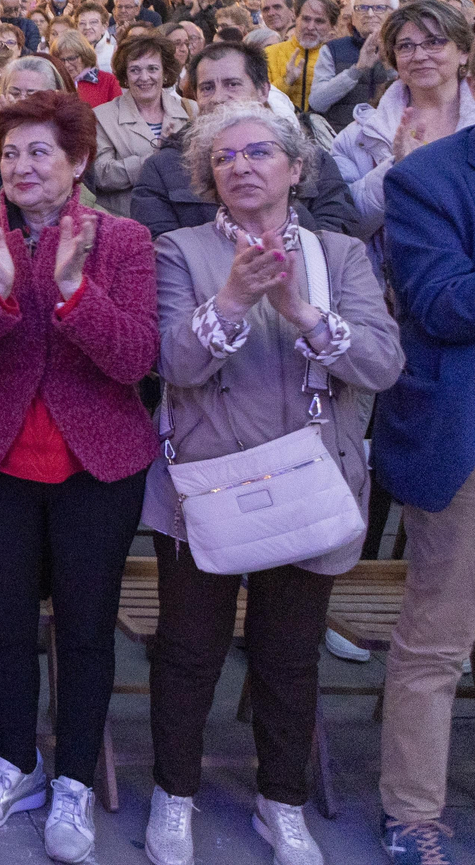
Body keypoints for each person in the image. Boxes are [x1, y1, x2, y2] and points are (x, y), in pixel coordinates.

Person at [146, 104, 402, 865]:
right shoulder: (180, 248)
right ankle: (174, 795)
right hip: (205, 486)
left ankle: (281, 802)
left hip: (310, 482)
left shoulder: (340, 255)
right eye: (224, 157)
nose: (242, 165)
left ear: (295, 167)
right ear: (208, 178)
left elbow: (383, 366)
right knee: (187, 653)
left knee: (288, 657)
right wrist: (229, 300)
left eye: (260, 151)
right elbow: (171, 364)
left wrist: (299, 310)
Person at [0, 90, 161, 864]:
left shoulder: (121, 241)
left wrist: (72, 290)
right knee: (9, 623)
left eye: (40, 152)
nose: (21, 166)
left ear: (79, 161)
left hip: (99, 465)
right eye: (11, 151)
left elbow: (134, 360)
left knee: (87, 631)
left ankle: (75, 781)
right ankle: (16, 762)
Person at [377, 121, 475, 865]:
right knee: (439, 637)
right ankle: (413, 812)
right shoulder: (426, 178)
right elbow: (441, 305)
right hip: (465, 442)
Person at [131, 44, 362, 240]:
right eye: (207, 88)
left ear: (263, 91)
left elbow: (337, 235)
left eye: (232, 84)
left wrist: (278, 197)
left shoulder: (312, 159)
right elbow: (161, 251)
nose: (218, 98)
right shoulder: (162, 169)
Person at [332, 0, 475, 240]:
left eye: (434, 42)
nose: (419, 56)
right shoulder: (360, 136)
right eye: (406, 46)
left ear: (462, 53)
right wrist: (397, 170)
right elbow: (346, 226)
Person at [91, 32, 189, 220]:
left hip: (180, 223)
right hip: (126, 222)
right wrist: (152, 160)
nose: (144, 77)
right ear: (125, 75)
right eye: (135, 70)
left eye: (152, 69)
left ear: (165, 72)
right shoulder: (102, 116)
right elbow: (100, 174)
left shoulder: (189, 110)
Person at [311, 0, 398, 130]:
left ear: (393, 13)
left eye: (379, 8)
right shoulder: (333, 49)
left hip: (390, 136)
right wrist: (356, 70)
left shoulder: (404, 47)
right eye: (362, 8)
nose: (370, 14)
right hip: (340, 138)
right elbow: (317, 102)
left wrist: (389, 66)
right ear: (353, 16)